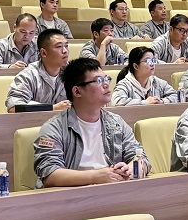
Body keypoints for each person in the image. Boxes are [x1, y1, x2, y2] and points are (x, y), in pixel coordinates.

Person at [33, 58, 151, 187]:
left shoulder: (116, 122)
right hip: (72, 195)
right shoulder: (54, 128)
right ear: (77, 91)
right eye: (99, 81)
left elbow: (140, 157)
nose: (106, 85)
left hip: (112, 191)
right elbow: (49, 174)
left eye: (106, 79)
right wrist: (95, 177)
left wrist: (130, 170)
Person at [5, 29, 71, 112]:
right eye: (59, 46)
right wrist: (52, 108)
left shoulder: (73, 72)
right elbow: (14, 108)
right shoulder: (28, 75)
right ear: (43, 53)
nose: (65, 51)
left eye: (66, 46)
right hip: (36, 120)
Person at [111, 47, 179, 106]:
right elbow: (117, 102)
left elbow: (176, 96)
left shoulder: (157, 82)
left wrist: (162, 101)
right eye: (148, 61)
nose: (152, 64)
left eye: (153, 60)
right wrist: (145, 102)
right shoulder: (125, 84)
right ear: (136, 66)